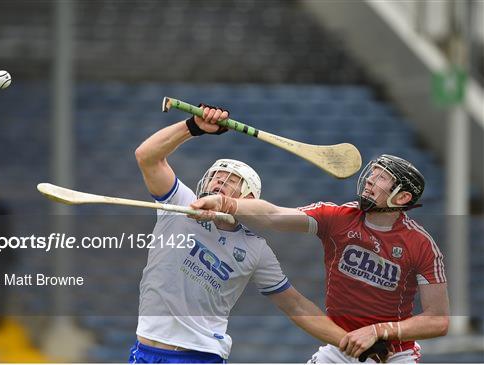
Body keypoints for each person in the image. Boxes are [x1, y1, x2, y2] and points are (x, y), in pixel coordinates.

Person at [131, 105, 379, 363]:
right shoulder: (180, 204)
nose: (218, 183)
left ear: (248, 198)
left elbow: (296, 306)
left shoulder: (255, 249)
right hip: (144, 352)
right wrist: (193, 127)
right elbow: (146, 156)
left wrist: (349, 342)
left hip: (199, 355)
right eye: (216, 176)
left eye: (230, 181)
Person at [191, 152, 450, 363]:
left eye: (382, 178)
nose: (370, 180)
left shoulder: (422, 246)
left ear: (402, 197)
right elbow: (273, 215)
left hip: (393, 354)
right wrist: (225, 204)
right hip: (341, 347)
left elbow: (438, 320)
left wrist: (378, 331)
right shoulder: (337, 217)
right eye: (372, 173)